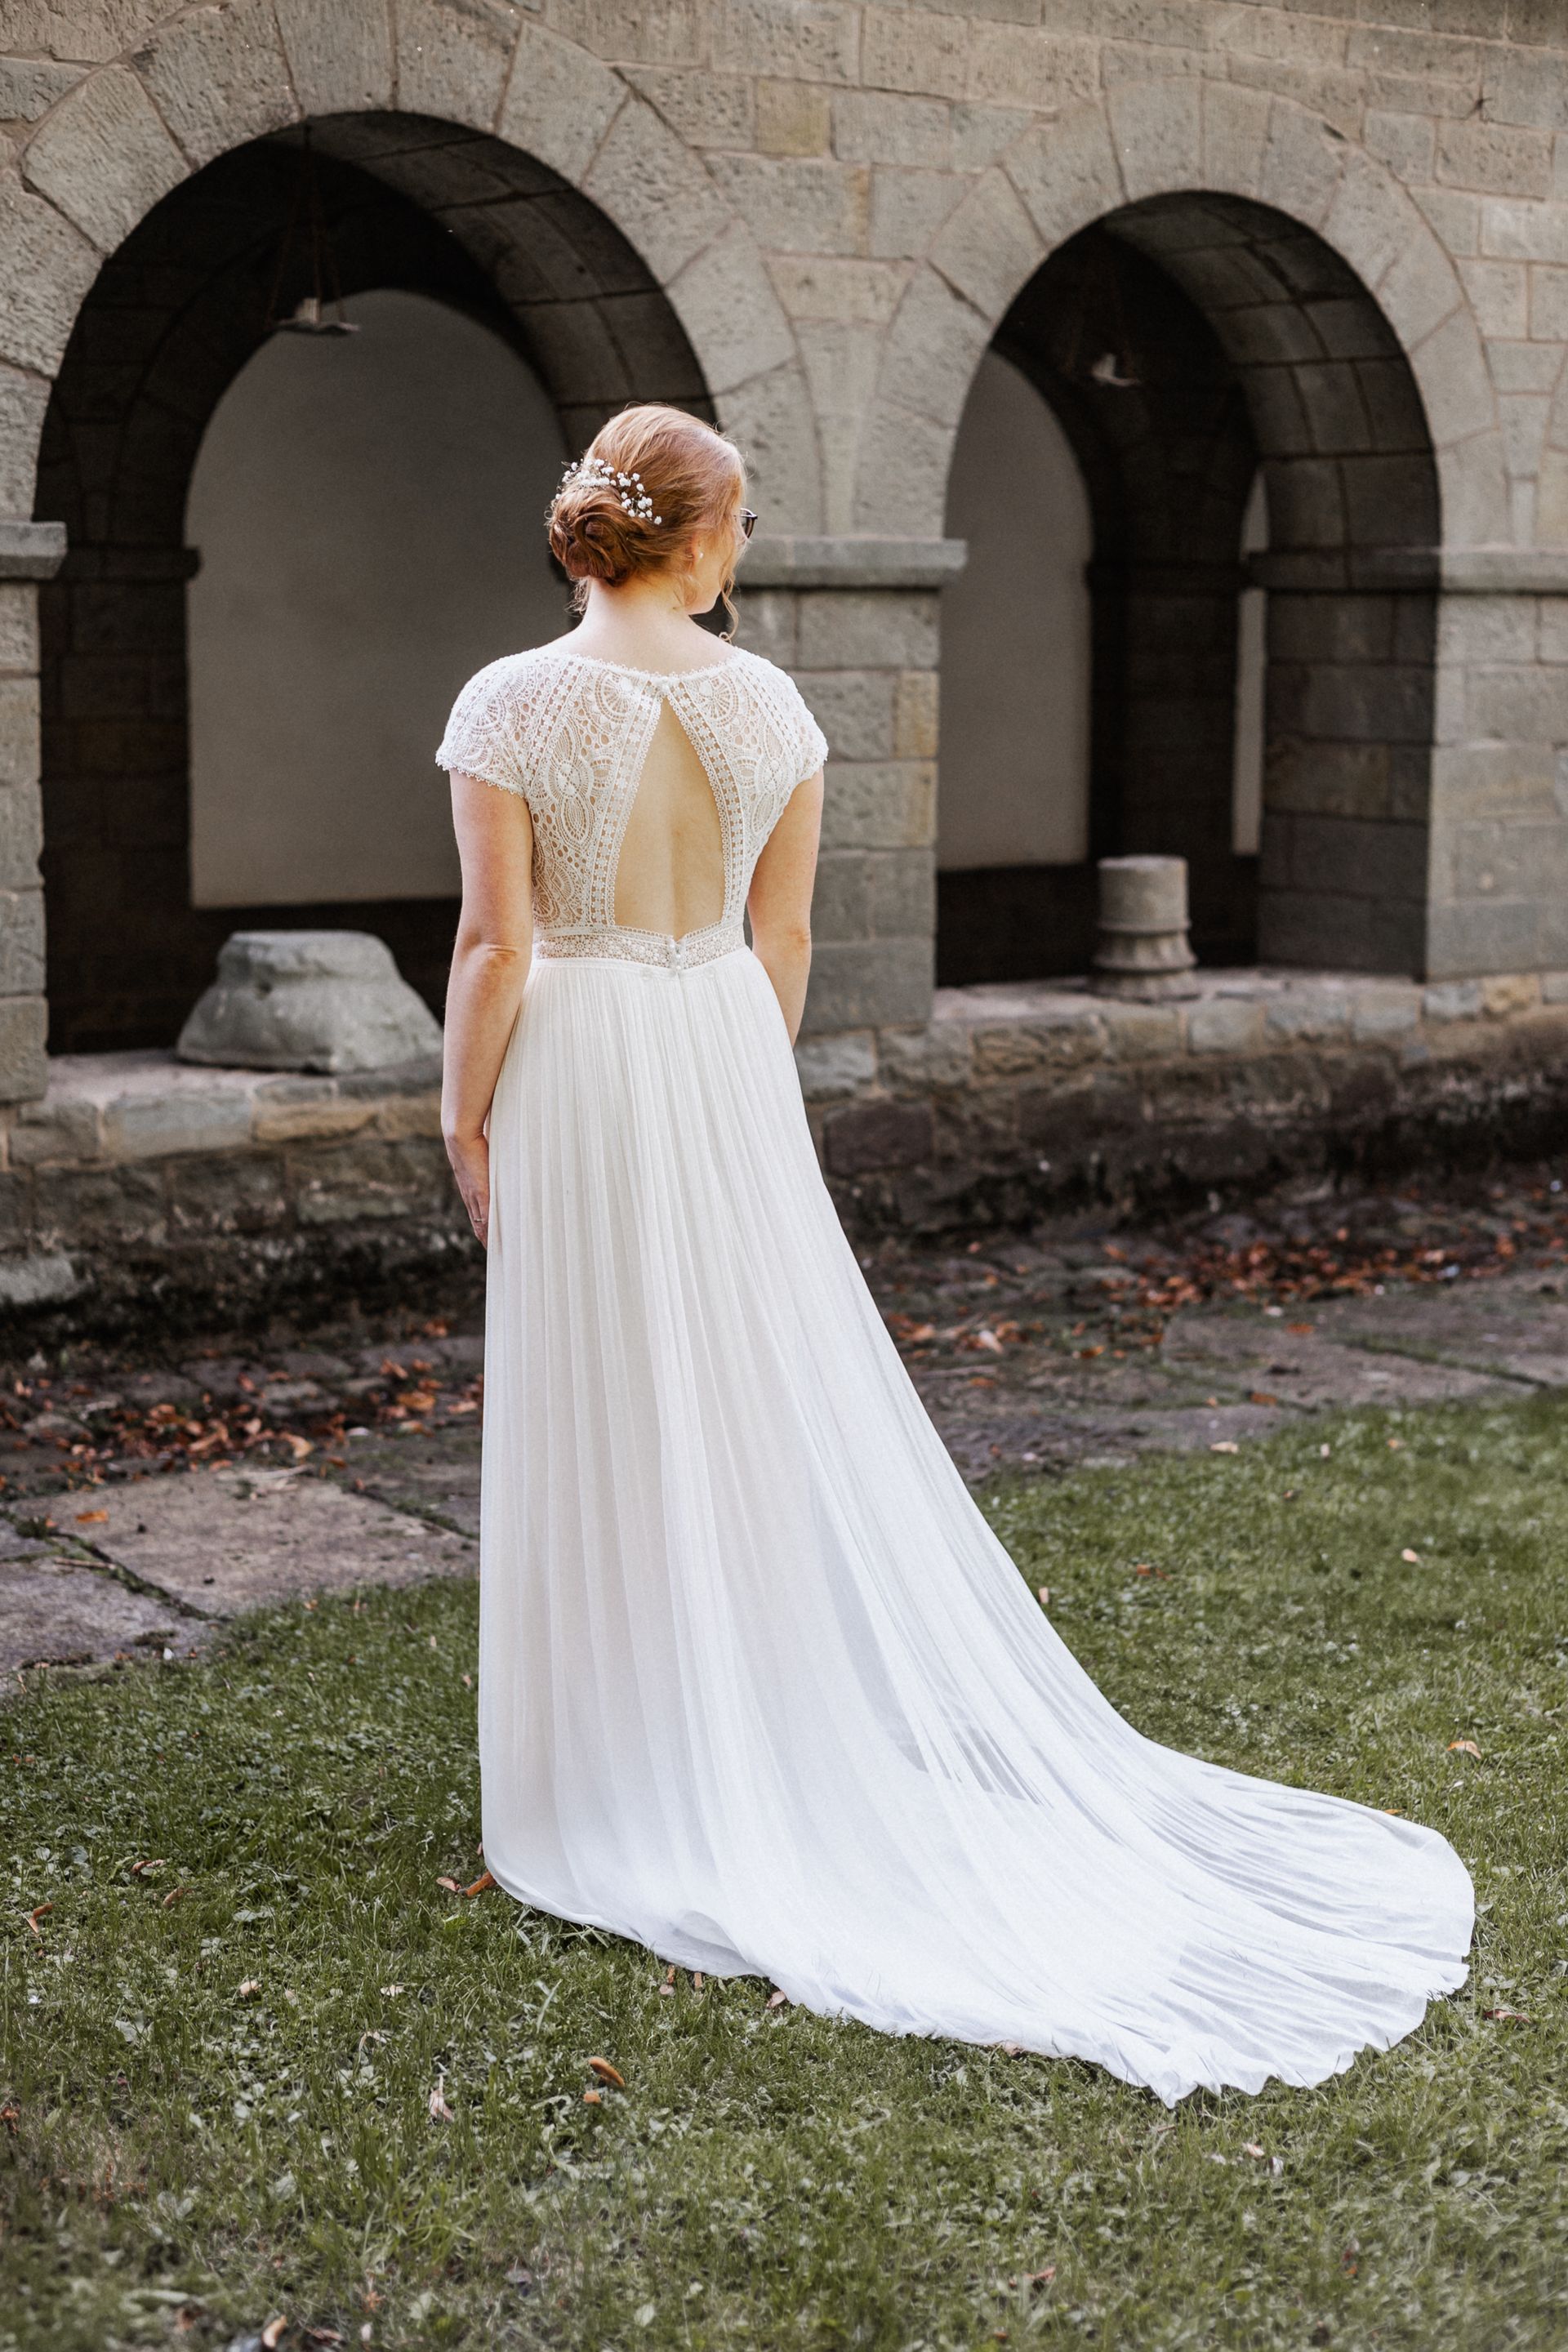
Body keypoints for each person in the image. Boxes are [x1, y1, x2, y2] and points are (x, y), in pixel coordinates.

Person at [436, 401, 1472, 2105]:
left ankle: (616, 1766)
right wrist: (740, 1097)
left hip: (585, 1052)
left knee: (603, 1380)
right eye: (745, 521)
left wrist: (462, 1116)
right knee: (742, 1399)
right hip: (716, 1048)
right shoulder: (775, 707)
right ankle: (728, 1732)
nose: (747, 547)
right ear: (693, 539)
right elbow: (786, 935)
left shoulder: (509, 701)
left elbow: (496, 943)